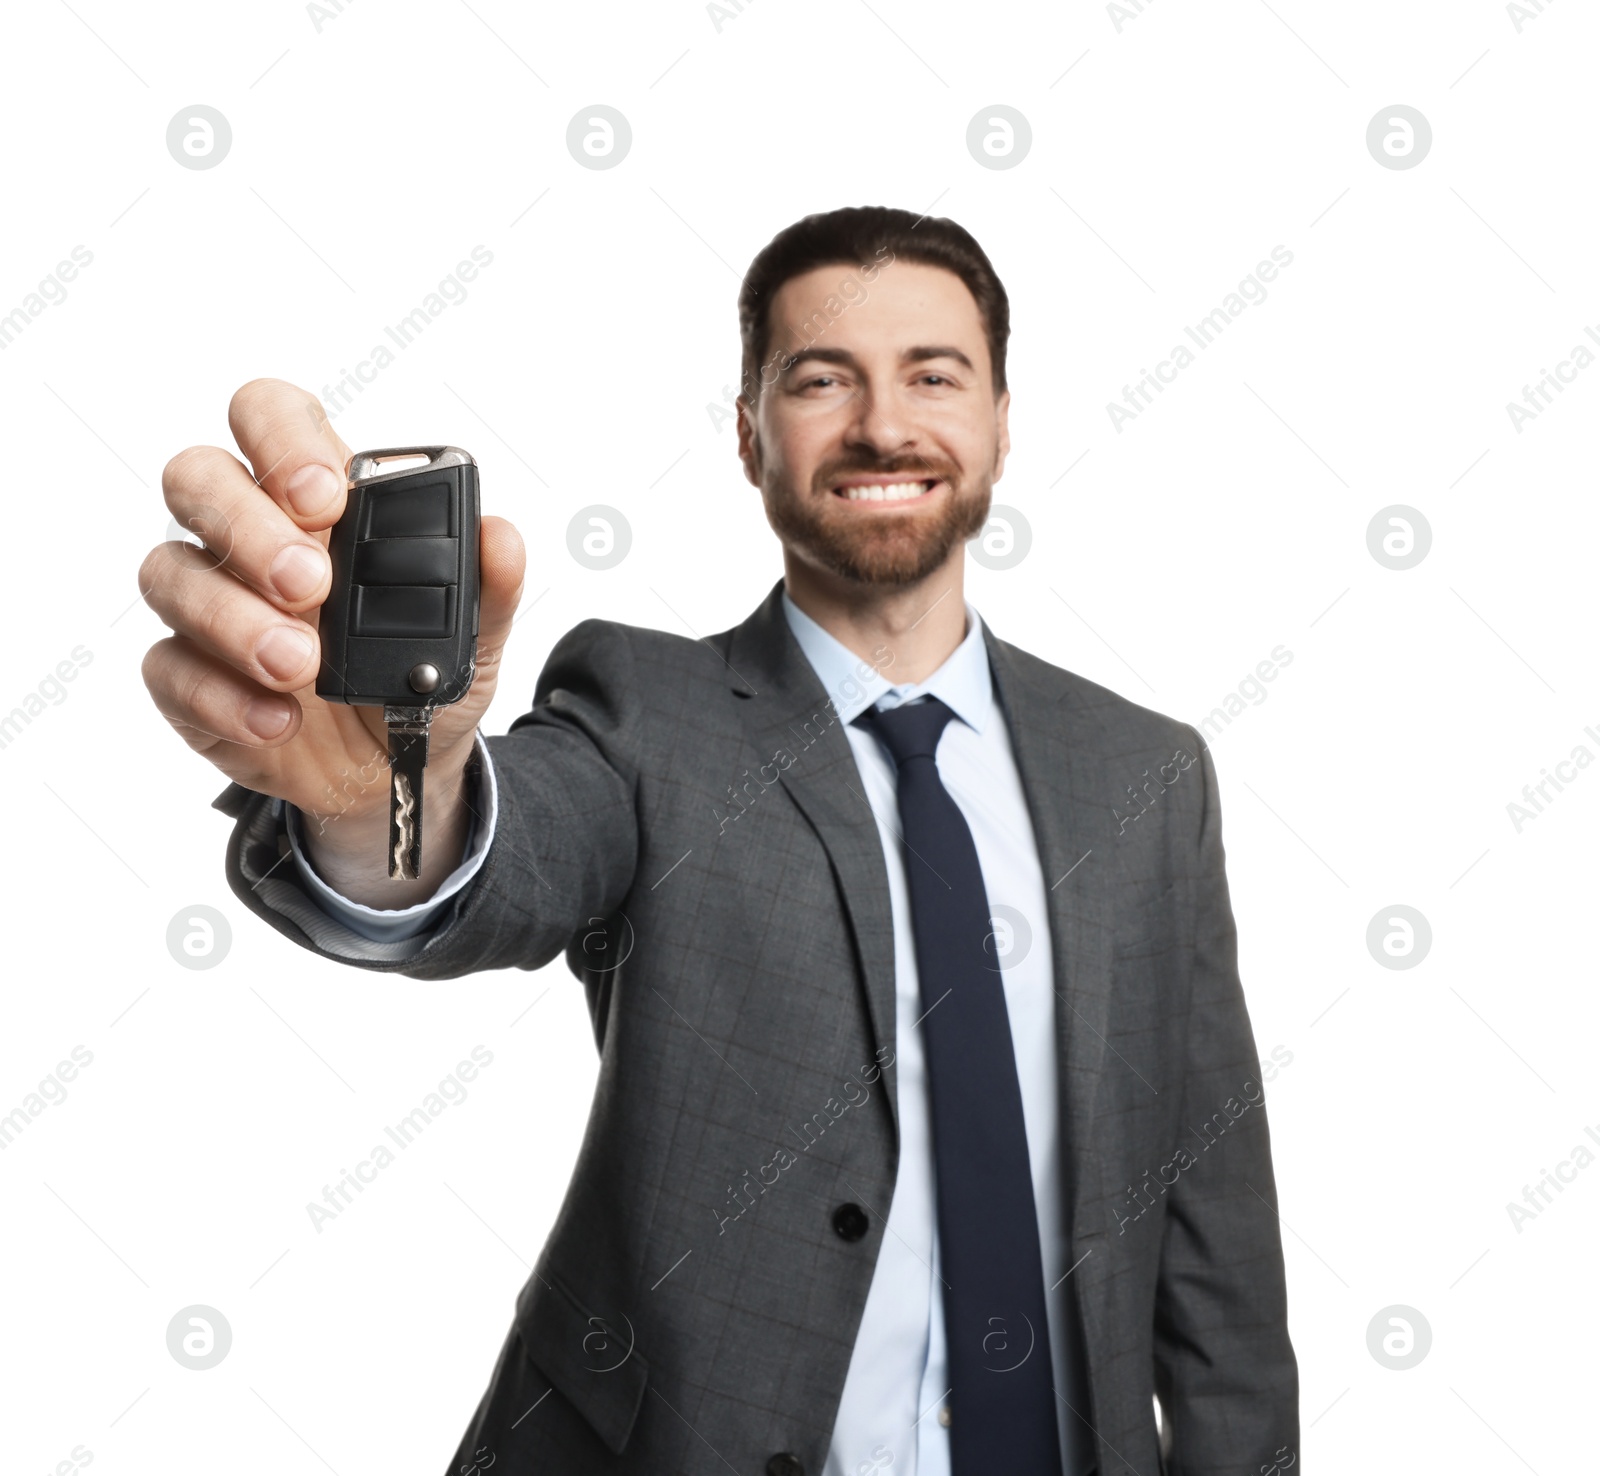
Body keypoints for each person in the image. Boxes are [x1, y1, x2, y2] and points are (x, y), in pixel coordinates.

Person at [139, 205, 1298, 1476]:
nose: (882, 425)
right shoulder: (649, 717)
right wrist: (380, 802)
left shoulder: (1145, 774)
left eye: (934, 375)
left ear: (1002, 423)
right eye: (821, 379)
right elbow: (509, 852)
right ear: (748, 436)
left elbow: (1213, 1235)